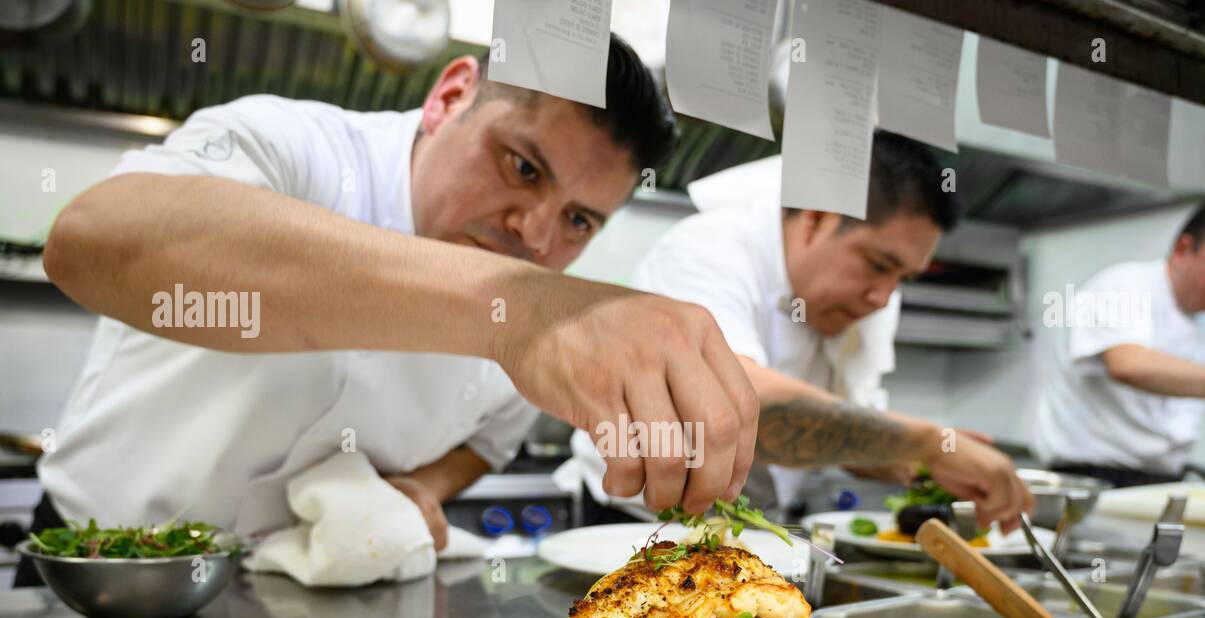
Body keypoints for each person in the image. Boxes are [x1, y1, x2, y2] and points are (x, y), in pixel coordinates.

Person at [19, 37, 760, 586]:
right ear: (449, 96)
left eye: (579, 221)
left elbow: (492, 442)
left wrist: (426, 488)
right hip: (97, 578)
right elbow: (90, 241)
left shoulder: (547, 309)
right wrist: (510, 310)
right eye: (523, 168)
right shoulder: (297, 148)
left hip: (298, 607)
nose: (535, 236)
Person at [570, 132, 1032, 528]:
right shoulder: (708, 251)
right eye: (878, 264)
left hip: (752, 527)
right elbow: (730, 408)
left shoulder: (872, 301)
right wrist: (928, 443)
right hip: (637, 527)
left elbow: (842, 432)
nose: (883, 297)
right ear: (815, 218)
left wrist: (928, 468)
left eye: (903, 278)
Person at [1033, 198, 1205, 487]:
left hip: (1163, 483)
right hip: (1091, 481)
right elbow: (1129, 366)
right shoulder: (1124, 286)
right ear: (1183, 249)